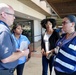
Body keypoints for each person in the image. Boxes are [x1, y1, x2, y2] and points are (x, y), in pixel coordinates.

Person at [0, 3, 29, 75]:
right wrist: (23, 53)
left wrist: (14, 51)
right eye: (12, 15)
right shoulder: (4, 30)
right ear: (4, 14)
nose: (14, 17)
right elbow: (5, 58)